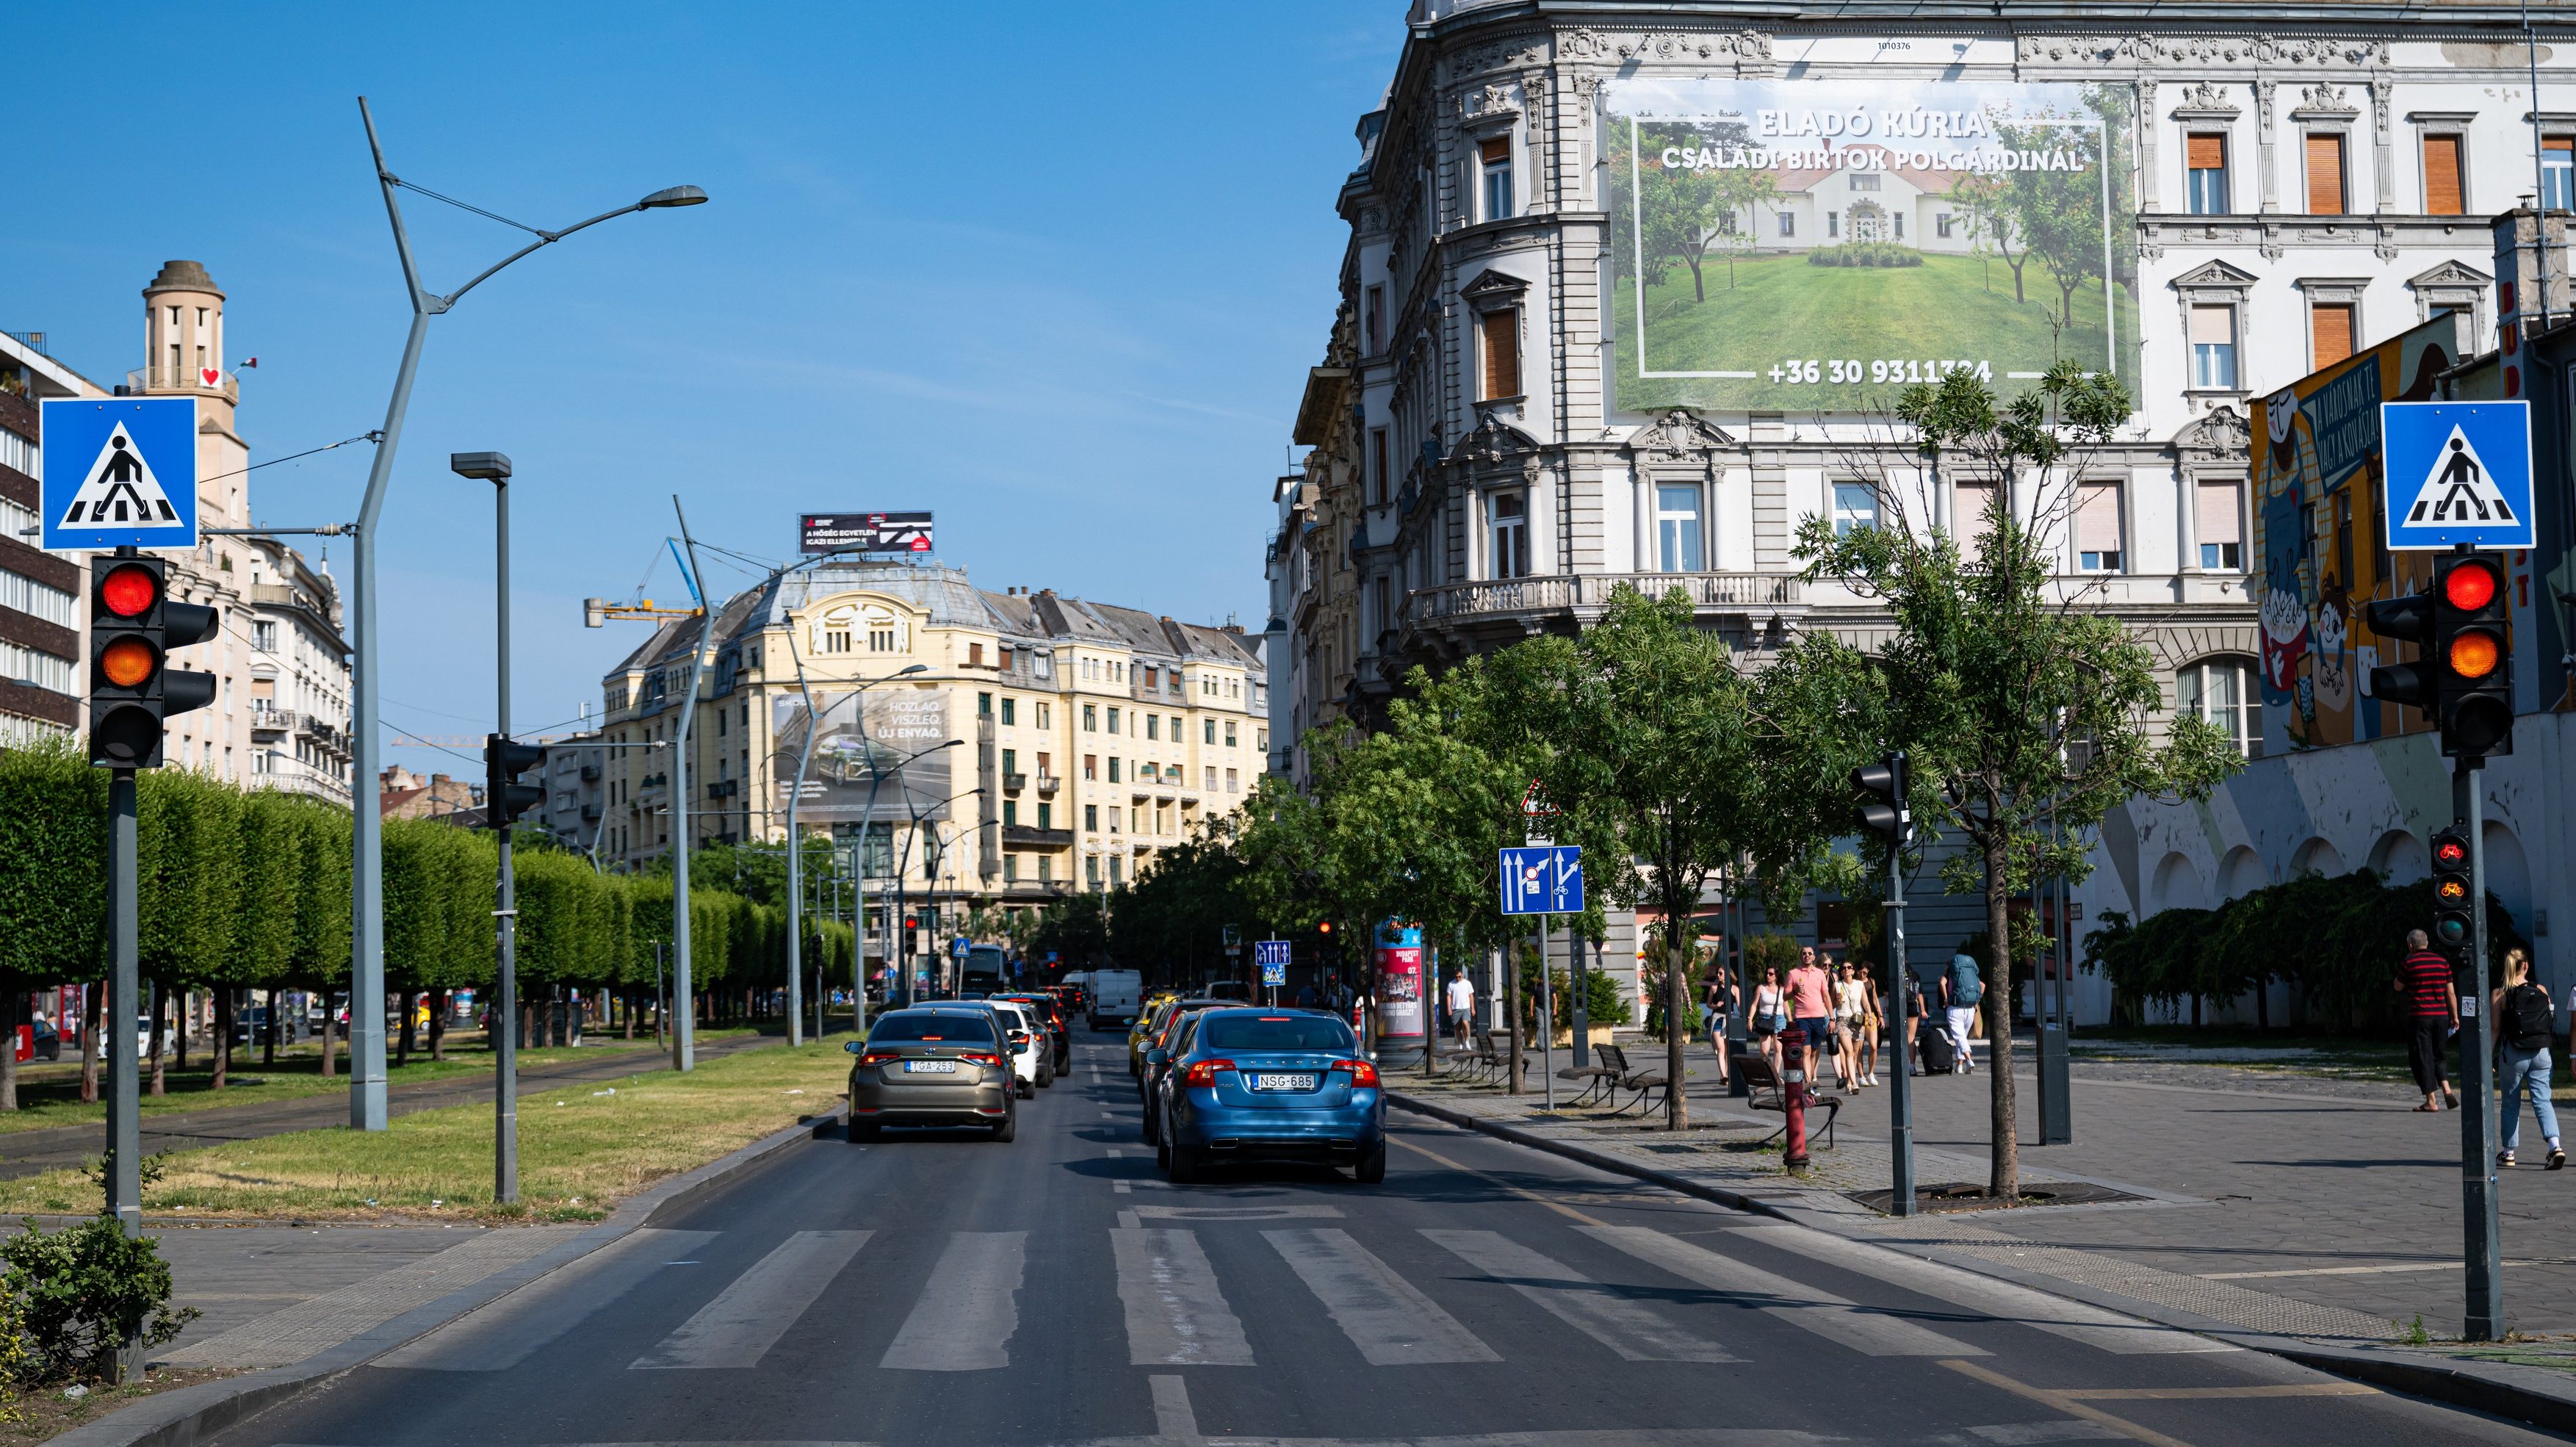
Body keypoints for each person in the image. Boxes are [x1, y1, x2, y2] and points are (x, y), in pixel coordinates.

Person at [2492, 948, 2564, 1168]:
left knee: (2510, 1102)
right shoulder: (2540, 989)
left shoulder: (2500, 994)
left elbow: (2495, 1029)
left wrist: (2489, 1057)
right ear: (2526, 966)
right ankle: (2555, 1146)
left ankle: (2509, 1152)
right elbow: (2550, 1017)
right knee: (2543, 1100)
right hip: (2541, 1052)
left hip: (2514, 1053)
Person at [2396, 928, 2460, 1111]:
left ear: (2410, 945)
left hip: (2420, 1017)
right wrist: (2454, 1016)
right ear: (2427, 943)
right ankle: (2447, 1088)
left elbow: (2398, 986)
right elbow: (2451, 993)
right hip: (2441, 1016)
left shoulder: (2409, 962)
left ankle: (2431, 1101)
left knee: (2421, 1057)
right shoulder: (2442, 963)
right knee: (2439, 1054)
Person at [1786, 946, 1835, 1083]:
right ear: (1800, 956)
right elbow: (1785, 996)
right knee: (1806, 1051)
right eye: (1804, 953)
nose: (1807, 956)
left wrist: (1832, 1019)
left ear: (1814, 957)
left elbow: (1826, 996)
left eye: (1809, 954)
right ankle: (1807, 1085)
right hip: (1802, 1018)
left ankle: (1810, 1079)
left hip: (1819, 1017)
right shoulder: (1793, 974)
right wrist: (1794, 991)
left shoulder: (1819, 973)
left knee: (1814, 1051)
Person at [1940, 950, 1982, 1075]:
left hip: (1955, 1008)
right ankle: (1959, 1066)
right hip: (1969, 1008)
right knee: (1963, 1036)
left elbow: (1942, 984)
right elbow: (1982, 985)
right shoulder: (1968, 975)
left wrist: (1946, 999)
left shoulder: (1948, 976)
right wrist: (1976, 1001)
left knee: (1960, 1038)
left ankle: (1969, 1061)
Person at [1701, 970, 1734, 1085]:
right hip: (1717, 1018)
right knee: (1720, 1048)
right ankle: (1725, 1076)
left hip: (1729, 1019)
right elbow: (1708, 1004)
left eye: (1721, 973)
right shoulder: (1714, 988)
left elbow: (1739, 1006)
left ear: (1727, 975)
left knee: (1727, 1050)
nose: (1718, 976)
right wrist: (1715, 1005)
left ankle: (1723, 1076)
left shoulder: (1734, 989)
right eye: (1718, 973)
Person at [1751, 966, 1786, 1072]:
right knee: (1764, 1050)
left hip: (1779, 1019)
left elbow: (1786, 1007)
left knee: (1778, 1048)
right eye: (1767, 973)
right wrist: (1750, 1020)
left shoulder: (1782, 989)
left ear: (1776, 976)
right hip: (1765, 1020)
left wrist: (1791, 1021)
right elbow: (1754, 1005)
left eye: (1771, 974)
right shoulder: (1761, 988)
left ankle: (1775, 1074)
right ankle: (1766, 1072)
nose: (1768, 975)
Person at [1444, 968, 1476, 1047]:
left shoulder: (1467, 983)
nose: (1458, 978)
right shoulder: (1451, 984)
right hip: (1456, 1008)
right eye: (1456, 977)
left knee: (1466, 1024)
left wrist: (1473, 1008)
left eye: (1459, 976)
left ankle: (1466, 1040)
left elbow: (1471, 996)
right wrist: (1449, 1008)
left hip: (1466, 1007)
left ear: (1462, 974)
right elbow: (1448, 997)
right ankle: (1460, 1044)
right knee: (1458, 1028)